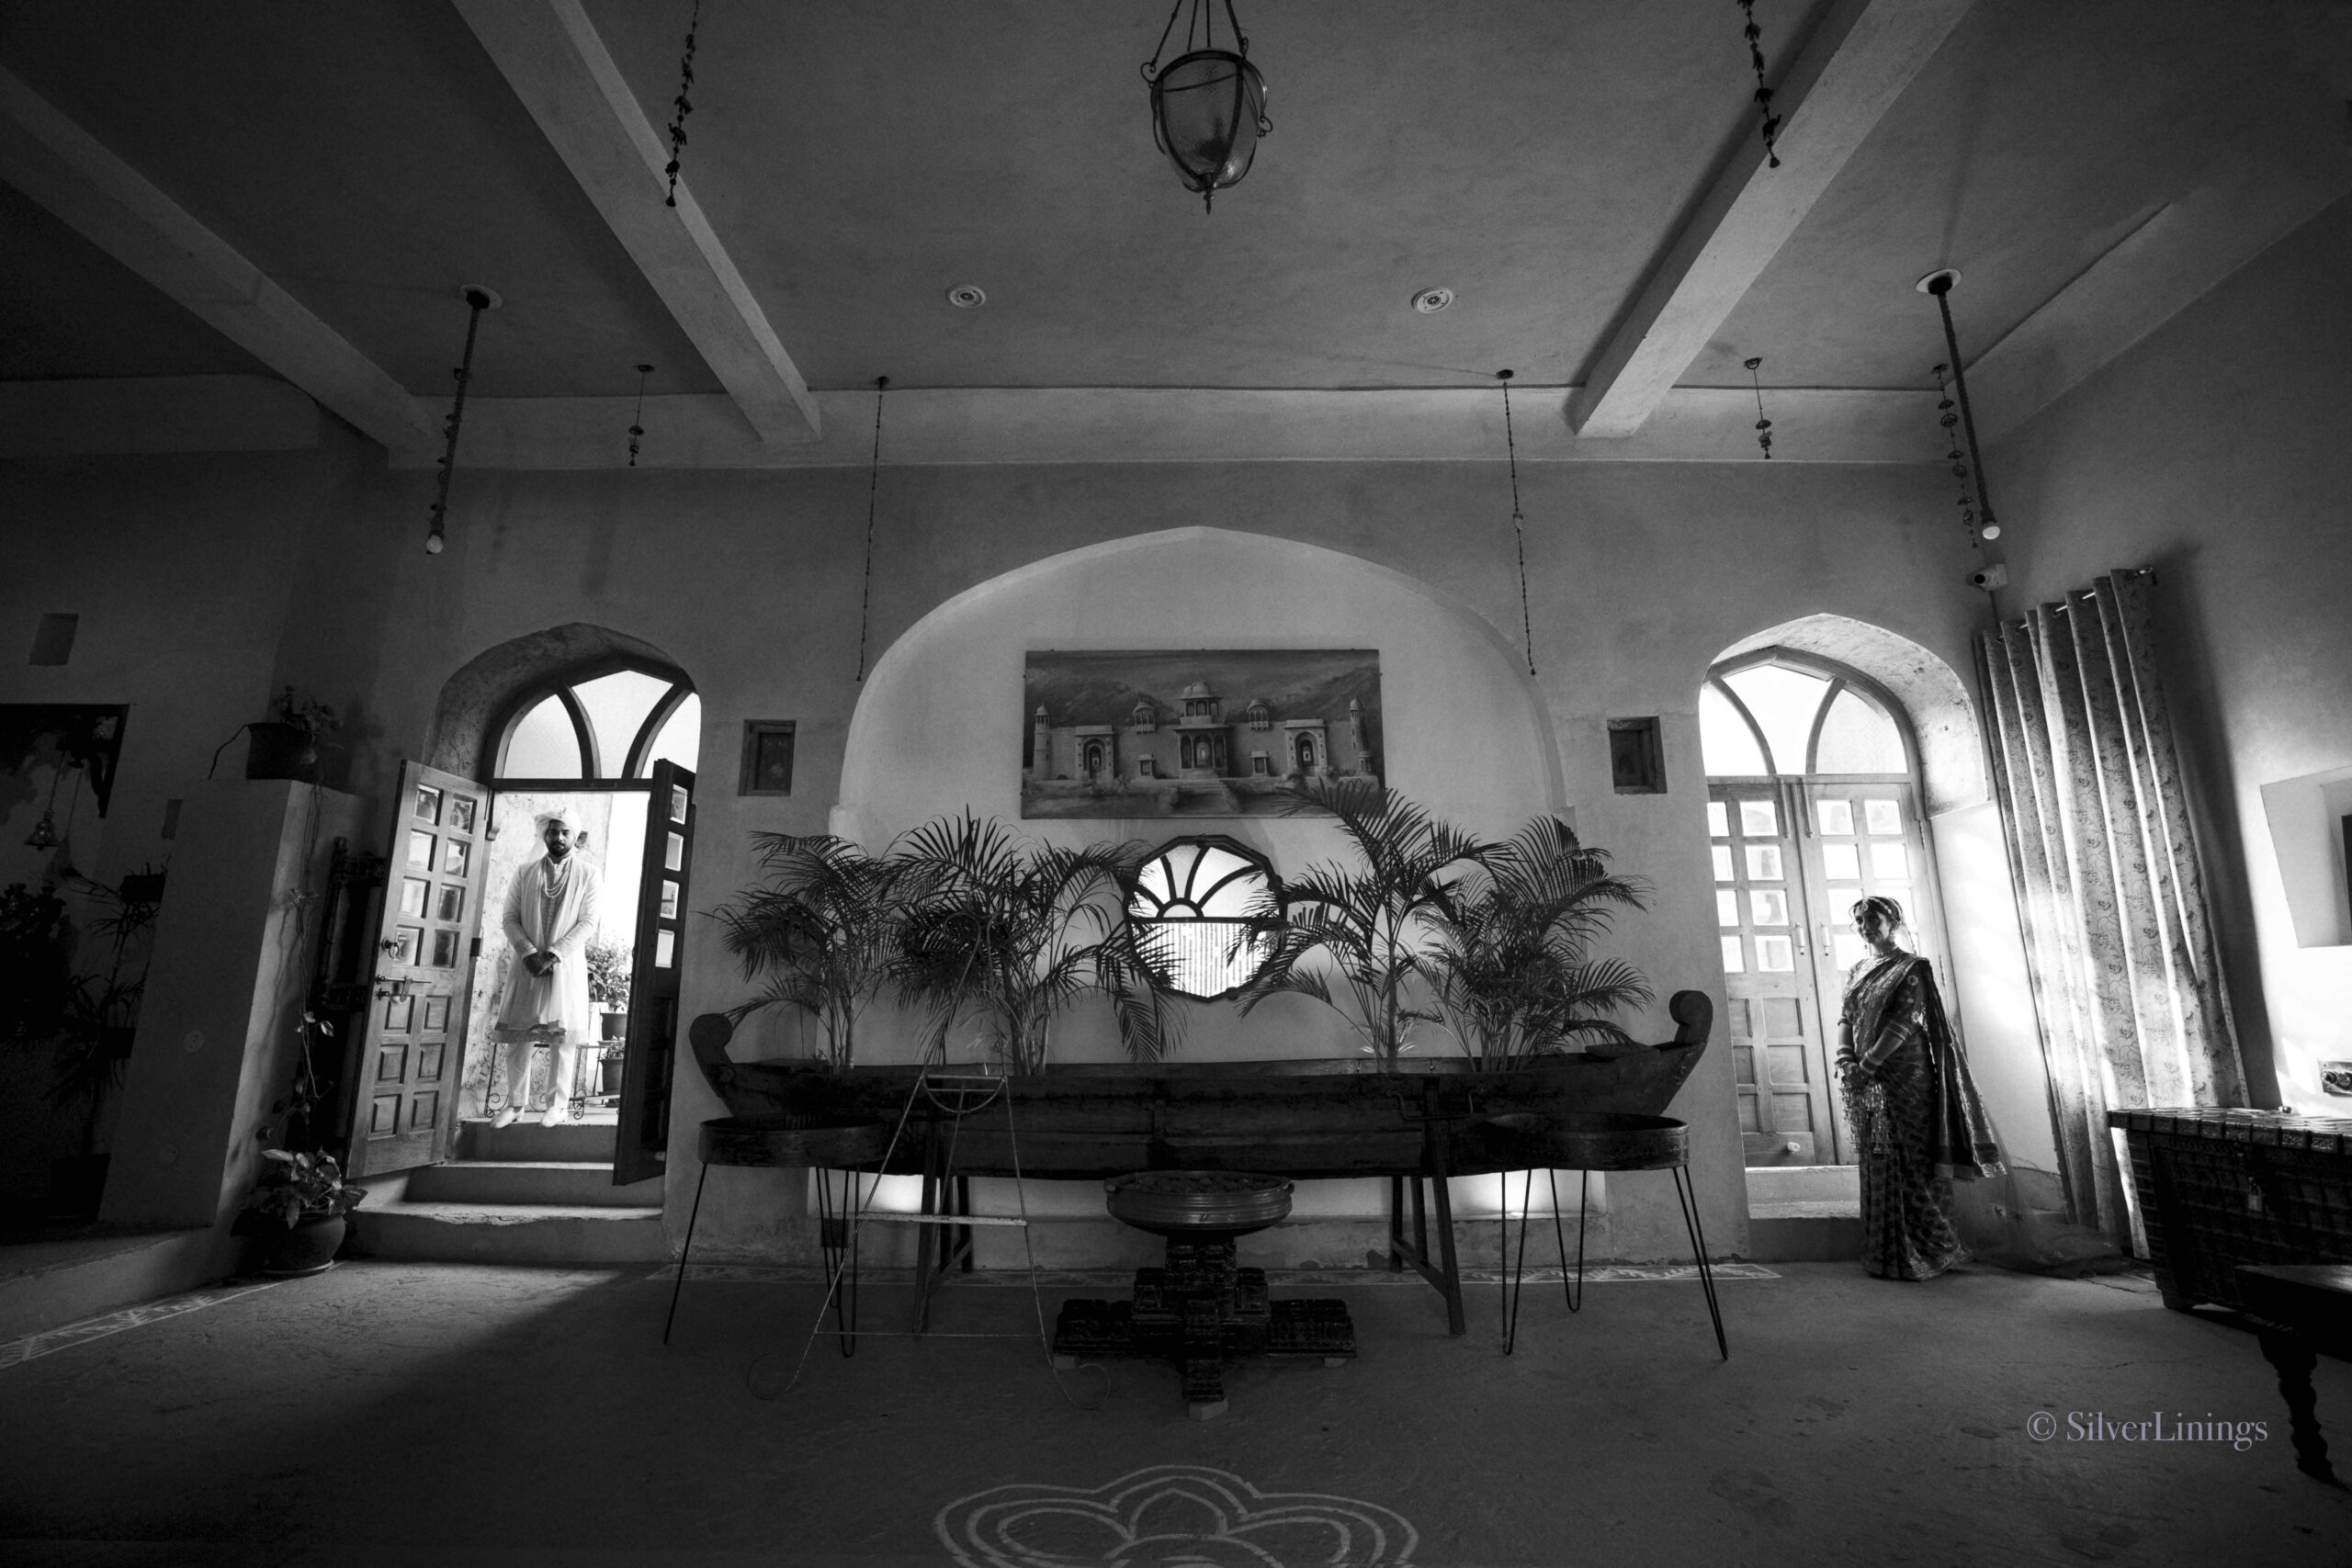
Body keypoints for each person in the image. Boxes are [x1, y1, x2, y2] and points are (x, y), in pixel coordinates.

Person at [1835, 895, 2004, 1280]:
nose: (1865, 927)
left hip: (1905, 1075)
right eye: (1859, 920)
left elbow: (1905, 1020)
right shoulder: (1859, 968)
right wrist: (1846, 1060)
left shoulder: (1912, 967)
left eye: (1873, 919)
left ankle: (1930, 1250)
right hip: (1866, 1075)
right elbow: (1846, 1016)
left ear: (1892, 923)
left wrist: (1868, 1065)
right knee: (1877, 1156)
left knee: (1912, 1159)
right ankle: (1883, 1254)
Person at [489, 806, 603, 1128]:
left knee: (562, 1037)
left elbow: (588, 922)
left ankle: (558, 1105)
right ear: (544, 835)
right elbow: (509, 918)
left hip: (565, 965)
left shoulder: (589, 874)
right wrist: (528, 953)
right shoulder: (525, 872)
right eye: (553, 832)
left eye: (565, 832)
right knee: (519, 1034)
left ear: (575, 837)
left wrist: (552, 954)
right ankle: (516, 1104)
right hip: (526, 964)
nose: (558, 837)